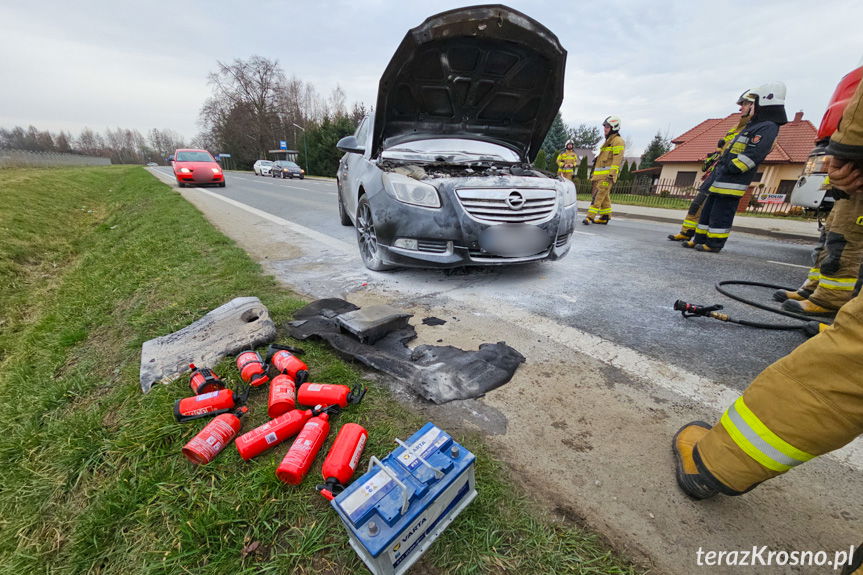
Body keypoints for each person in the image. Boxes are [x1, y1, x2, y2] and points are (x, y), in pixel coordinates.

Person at [672, 79, 863, 575]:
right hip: (721, 182)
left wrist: (850, 149)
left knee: (846, 368)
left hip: (732, 185)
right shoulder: (741, 126)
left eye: (746, 100)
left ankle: (716, 463)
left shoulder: (761, 128)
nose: (740, 106)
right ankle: (820, 296)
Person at [683, 82, 788, 253]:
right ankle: (700, 239)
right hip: (722, 178)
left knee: (721, 215)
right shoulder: (754, 125)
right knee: (708, 211)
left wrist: (731, 168)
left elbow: (754, 154)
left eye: (751, 103)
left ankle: (714, 243)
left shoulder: (767, 127)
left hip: (732, 181)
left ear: (763, 103)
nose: (745, 107)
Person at [668, 91, 755, 241]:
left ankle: (709, 239)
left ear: (754, 105)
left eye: (744, 105)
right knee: (698, 202)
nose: (740, 109)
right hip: (719, 168)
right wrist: (717, 153)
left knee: (713, 208)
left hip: (730, 173)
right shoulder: (738, 126)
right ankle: (687, 231)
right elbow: (725, 146)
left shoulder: (755, 128)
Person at [584, 116, 624, 225]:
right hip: (600, 176)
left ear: (614, 127)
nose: (605, 129)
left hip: (607, 176)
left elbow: (617, 159)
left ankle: (589, 217)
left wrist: (611, 174)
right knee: (604, 197)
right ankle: (605, 216)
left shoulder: (618, 141)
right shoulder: (608, 142)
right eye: (605, 126)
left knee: (598, 196)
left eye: (607, 126)